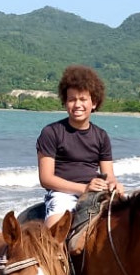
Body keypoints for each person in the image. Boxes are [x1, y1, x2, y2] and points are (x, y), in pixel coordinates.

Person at [36, 65, 124, 228]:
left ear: (94, 103)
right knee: (55, 234)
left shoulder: (101, 136)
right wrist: (84, 188)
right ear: (65, 102)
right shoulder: (51, 132)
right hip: (63, 194)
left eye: (83, 99)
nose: (77, 104)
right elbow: (46, 179)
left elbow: (108, 174)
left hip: (96, 193)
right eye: (72, 99)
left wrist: (114, 184)